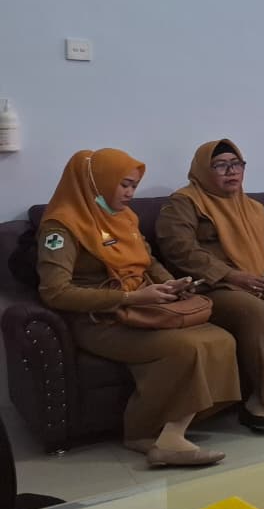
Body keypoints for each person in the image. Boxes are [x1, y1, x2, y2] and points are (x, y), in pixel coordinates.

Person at [36, 149, 239, 467]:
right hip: (99, 320)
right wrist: (129, 298)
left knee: (220, 339)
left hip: (142, 307)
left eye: (134, 186)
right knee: (185, 347)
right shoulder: (60, 227)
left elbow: (148, 261)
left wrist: (172, 283)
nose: (130, 193)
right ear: (98, 182)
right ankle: (143, 433)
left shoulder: (125, 217)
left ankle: (169, 435)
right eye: (124, 185)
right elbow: (55, 292)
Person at [156, 139, 264, 436]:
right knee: (254, 311)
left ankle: (260, 400)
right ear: (203, 170)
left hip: (259, 283)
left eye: (236, 164)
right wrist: (231, 276)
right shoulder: (183, 203)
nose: (231, 171)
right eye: (220, 166)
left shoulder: (253, 207)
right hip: (212, 287)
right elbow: (181, 250)